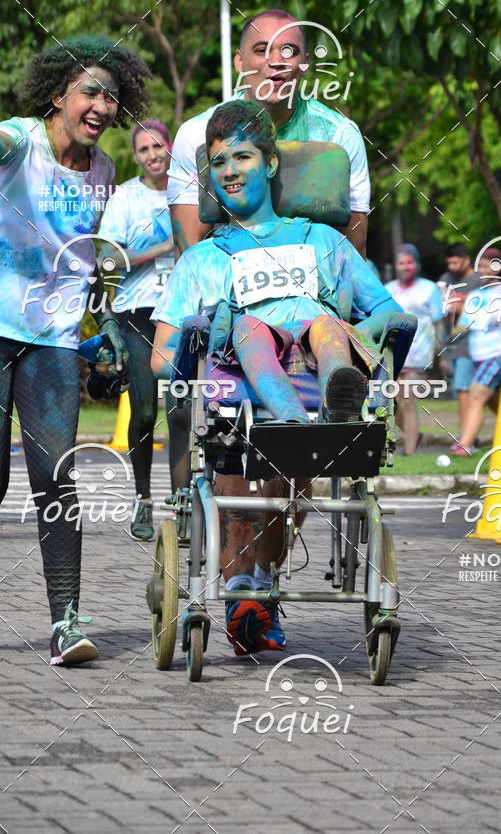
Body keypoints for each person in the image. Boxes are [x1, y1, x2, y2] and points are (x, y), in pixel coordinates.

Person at [151, 100, 415, 656]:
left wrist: (370, 328)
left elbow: (387, 308)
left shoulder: (326, 242)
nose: (230, 171)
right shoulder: (202, 259)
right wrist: (201, 331)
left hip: (317, 375)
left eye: (242, 156)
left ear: (270, 163)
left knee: (326, 327)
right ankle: (247, 589)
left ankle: (314, 421)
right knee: (246, 339)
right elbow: (162, 354)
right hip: (239, 396)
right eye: (218, 161)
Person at [0, 37, 150, 665]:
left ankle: (67, 622)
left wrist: (108, 321)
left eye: (111, 97)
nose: (101, 105)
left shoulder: (107, 171)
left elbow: (93, 259)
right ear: (58, 95)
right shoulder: (18, 140)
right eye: (90, 92)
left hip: (55, 341)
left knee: (56, 478)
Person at [167, 9, 370, 257]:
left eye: (289, 51)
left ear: (304, 64)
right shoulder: (197, 135)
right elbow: (189, 255)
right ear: (239, 62)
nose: (276, 61)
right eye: (262, 50)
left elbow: (353, 252)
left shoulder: (339, 136)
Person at [98, 119, 187, 540]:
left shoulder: (188, 192)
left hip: (183, 311)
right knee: (147, 409)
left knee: (183, 411)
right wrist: (162, 248)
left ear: (170, 147)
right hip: (138, 312)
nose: (153, 156)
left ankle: (184, 503)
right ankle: (143, 501)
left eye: (158, 147)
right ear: (136, 157)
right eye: (144, 150)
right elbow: (108, 263)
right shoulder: (125, 199)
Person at [451, 248, 501, 454]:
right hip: (478, 355)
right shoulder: (474, 295)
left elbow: (498, 317)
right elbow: (464, 325)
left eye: (487, 265)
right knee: (496, 402)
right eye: (480, 266)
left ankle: (466, 444)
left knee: (476, 396)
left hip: (498, 352)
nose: (482, 270)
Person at [385, 245, 445, 454]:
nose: (406, 266)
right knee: (392, 403)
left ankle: (409, 451)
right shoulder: (388, 289)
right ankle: (414, 435)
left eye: (410, 262)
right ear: (396, 266)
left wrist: (441, 352)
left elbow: (438, 322)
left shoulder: (429, 288)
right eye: (402, 263)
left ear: (416, 264)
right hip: (393, 354)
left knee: (409, 401)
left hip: (419, 353)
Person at [437, 243, 482, 435]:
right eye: (449, 263)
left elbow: (486, 312)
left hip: (472, 342)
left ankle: (466, 438)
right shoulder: (446, 279)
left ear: (467, 260)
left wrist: (461, 309)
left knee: (463, 389)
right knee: (461, 391)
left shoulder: (478, 281)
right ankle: (468, 436)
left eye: (456, 263)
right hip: (452, 341)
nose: (452, 267)